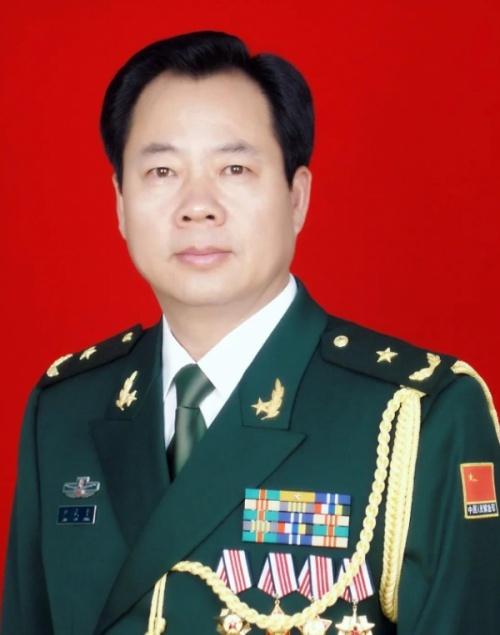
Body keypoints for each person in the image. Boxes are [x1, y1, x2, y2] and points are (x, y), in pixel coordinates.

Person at [1, 30, 499, 635]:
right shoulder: (64, 410)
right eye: (162, 170)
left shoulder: (418, 417)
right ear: (121, 203)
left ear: (297, 197)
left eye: (234, 168)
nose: (197, 206)